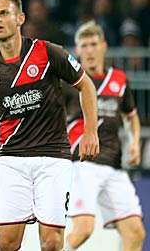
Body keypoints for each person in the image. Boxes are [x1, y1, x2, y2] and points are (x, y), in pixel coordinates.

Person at [0, 0, 100, 251]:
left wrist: (90, 132)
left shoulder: (48, 52)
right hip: (13, 160)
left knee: (51, 242)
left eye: (4, 13)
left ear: (20, 18)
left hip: (53, 158)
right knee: (6, 242)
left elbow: (86, 85)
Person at [65, 21, 145, 251]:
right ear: (77, 50)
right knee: (83, 230)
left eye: (93, 44)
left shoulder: (118, 80)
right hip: (82, 165)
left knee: (135, 232)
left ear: (104, 46)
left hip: (114, 165)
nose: (89, 50)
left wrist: (134, 143)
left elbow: (131, 116)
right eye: (84, 45)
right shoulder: (70, 82)